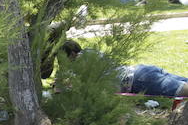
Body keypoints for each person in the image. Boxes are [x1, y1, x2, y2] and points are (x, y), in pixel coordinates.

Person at [60, 40, 188, 97]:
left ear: (71, 54)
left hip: (138, 80)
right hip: (142, 71)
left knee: (183, 91)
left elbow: (78, 85)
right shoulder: (90, 52)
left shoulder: (82, 59)